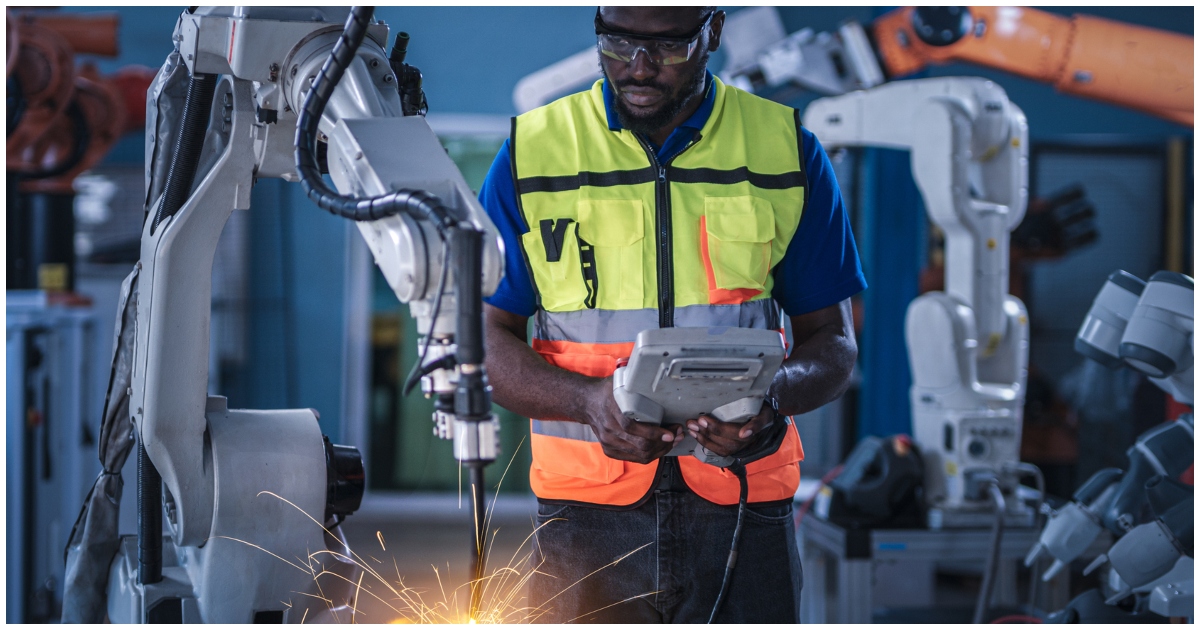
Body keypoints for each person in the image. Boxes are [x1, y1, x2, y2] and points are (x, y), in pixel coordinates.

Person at [479, 6, 865, 623]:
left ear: (713, 31)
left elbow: (834, 342)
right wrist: (587, 402)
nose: (638, 67)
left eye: (667, 46)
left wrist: (771, 406)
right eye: (617, 42)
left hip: (744, 504)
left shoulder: (785, 151)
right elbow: (482, 339)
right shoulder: (534, 153)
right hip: (587, 516)